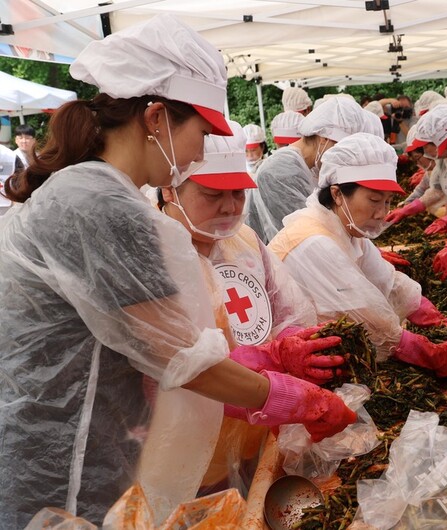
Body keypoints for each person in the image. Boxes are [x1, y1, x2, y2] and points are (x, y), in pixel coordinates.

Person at [0, 15, 355, 525]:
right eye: (203, 132)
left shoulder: (100, 193)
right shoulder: (99, 202)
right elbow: (186, 362)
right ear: (157, 118)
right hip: (63, 463)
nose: (202, 152)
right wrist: (295, 398)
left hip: (92, 439)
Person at [156, 120, 341, 493]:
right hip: (181, 447)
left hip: (259, 426)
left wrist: (295, 346)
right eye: (212, 194)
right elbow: (177, 370)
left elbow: (288, 310)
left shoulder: (242, 239)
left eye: (239, 192)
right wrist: (272, 361)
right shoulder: (154, 255)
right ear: (169, 190)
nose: (230, 206)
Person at [268, 133, 447, 376]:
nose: (382, 213)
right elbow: (374, 324)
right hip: (295, 361)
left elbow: (390, 283)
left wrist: (443, 326)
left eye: (388, 201)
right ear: (338, 194)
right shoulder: (315, 241)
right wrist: (437, 355)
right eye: (374, 200)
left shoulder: (345, 228)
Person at [248, 97, 383, 242]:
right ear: (323, 139)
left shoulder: (310, 167)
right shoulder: (281, 171)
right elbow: (305, 234)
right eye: (340, 149)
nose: (344, 158)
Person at [385, 105, 447, 231]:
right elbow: (436, 191)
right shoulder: (443, 162)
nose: (426, 152)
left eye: (425, 147)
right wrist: (406, 209)